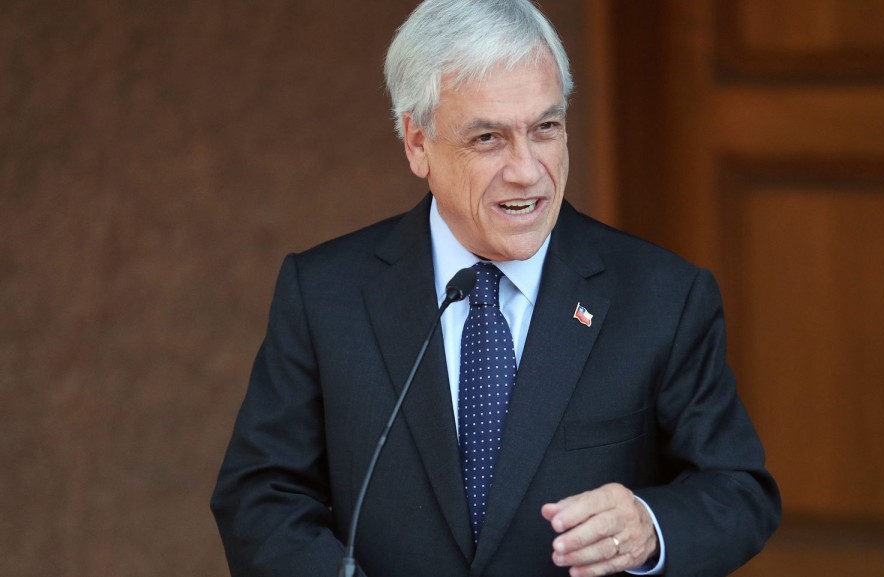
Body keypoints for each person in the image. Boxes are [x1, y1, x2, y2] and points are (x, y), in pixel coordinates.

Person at [210, 1, 781, 576]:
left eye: (545, 129)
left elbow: (738, 492)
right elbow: (261, 496)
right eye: (488, 138)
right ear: (417, 142)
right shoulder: (325, 294)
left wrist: (647, 527)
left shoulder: (662, 297)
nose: (527, 171)